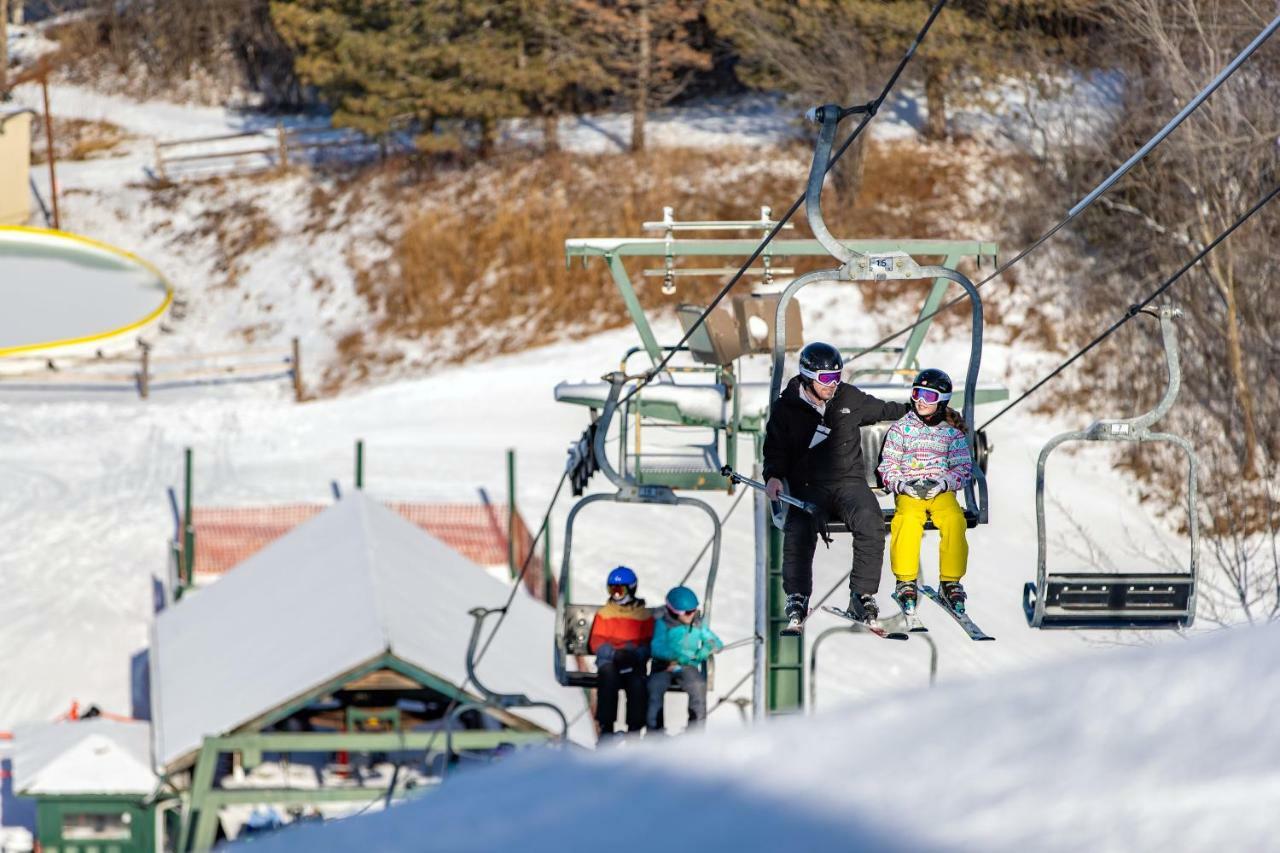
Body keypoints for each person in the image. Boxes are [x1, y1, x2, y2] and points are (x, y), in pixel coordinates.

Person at [763, 341, 910, 630]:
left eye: (837, 377)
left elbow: (884, 410)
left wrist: (920, 411)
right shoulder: (786, 409)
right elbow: (775, 450)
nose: (833, 385)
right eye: (827, 379)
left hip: (849, 482)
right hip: (808, 484)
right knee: (800, 525)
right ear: (808, 376)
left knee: (870, 519)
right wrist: (774, 476)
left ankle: (862, 595)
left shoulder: (849, 398)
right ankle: (797, 595)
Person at [876, 368, 974, 612]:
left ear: (941, 401)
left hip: (940, 491)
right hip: (910, 491)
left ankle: (951, 582)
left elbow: (963, 467)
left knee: (954, 520)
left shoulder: (952, 433)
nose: (921, 400)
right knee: (907, 520)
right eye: (917, 393)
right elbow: (888, 465)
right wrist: (901, 485)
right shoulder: (901, 429)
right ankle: (906, 580)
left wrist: (944, 483)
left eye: (928, 396)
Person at [587, 566, 654, 739]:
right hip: (610, 661)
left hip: (632, 661)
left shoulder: (643, 615)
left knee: (637, 684)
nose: (615, 595)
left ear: (631, 589)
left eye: (619, 590)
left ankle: (634, 729)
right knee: (608, 678)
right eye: (612, 590)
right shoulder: (605, 613)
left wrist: (637, 654)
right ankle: (606, 727)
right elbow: (596, 640)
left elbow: (648, 643)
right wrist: (612, 654)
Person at [647, 585, 723, 732]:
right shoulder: (663, 624)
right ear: (674, 612)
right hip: (664, 666)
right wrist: (676, 656)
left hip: (688, 666)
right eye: (687, 613)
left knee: (698, 684)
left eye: (693, 611)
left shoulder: (698, 625)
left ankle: (696, 730)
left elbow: (715, 642)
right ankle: (655, 730)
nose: (691, 615)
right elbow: (657, 646)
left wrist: (708, 648)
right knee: (655, 687)